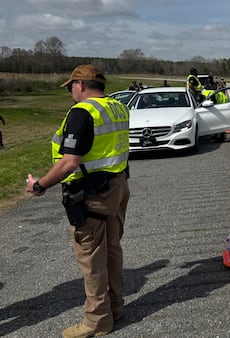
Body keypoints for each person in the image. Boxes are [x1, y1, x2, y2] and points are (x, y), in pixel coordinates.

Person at [26, 64, 130, 338]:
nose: (70, 91)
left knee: (92, 258)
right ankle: (116, 306)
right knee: (112, 249)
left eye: (71, 86)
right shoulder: (118, 107)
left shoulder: (82, 113)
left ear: (81, 84)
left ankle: (97, 321)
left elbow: (70, 162)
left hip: (91, 195)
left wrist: (39, 185)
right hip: (118, 186)